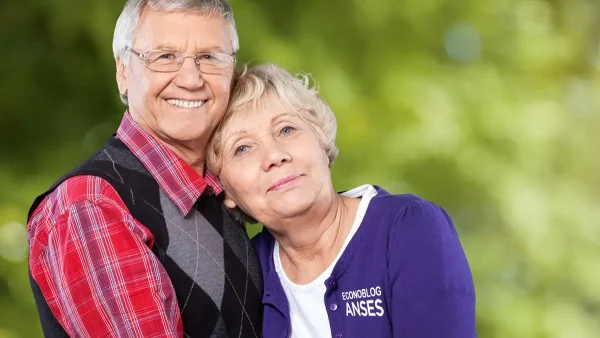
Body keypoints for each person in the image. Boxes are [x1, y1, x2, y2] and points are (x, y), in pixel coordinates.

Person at [26, 1, 262, 337]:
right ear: (123, 72)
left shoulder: (224, 192)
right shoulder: (92, 205)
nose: (191, 79)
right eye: (165, 56)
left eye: (210, 57)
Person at [206, 64, 477, 338]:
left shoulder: (409, 228)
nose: (275, 155)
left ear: (320, 140)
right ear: (223, 189)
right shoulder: (243, 269)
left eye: (286, 129)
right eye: (242, 148)